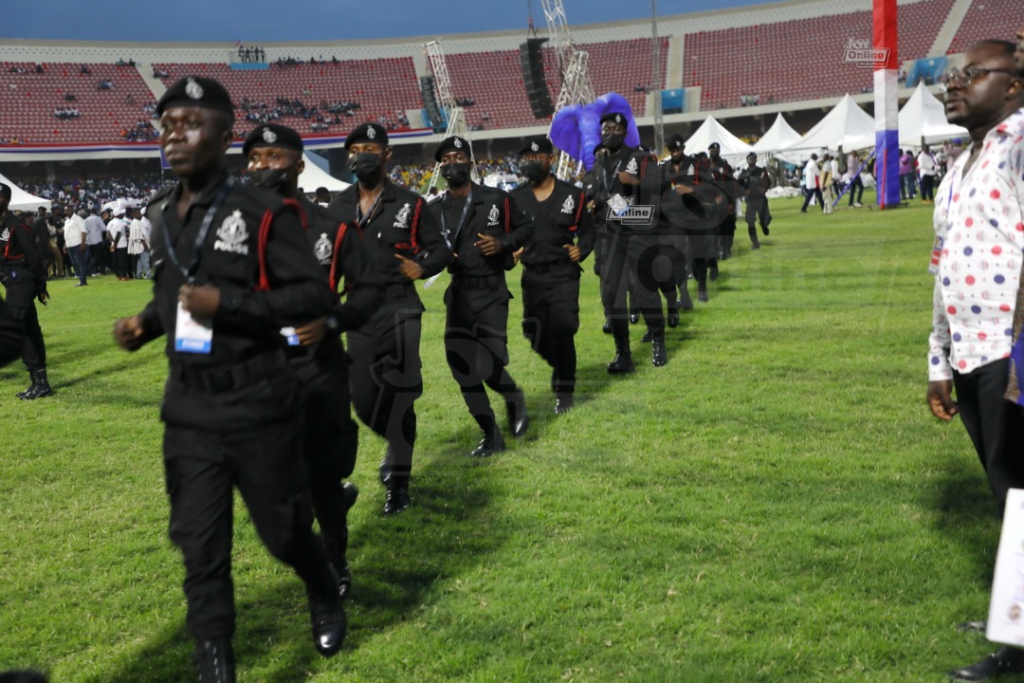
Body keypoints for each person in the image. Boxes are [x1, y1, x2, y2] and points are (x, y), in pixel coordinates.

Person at [111, 76, 346, 682]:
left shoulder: (260, 212)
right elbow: (179, 295)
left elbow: (312, 296)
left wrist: (232, 306)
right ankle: (214, 660)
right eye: (166, 124)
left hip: (258, 401)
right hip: (188, 408)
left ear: (223, 133)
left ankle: (321, 584)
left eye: (189, 122)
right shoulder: (163, 213)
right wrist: (147, 322)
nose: (174, 135)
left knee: (284, 532)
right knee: (200, 545)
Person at [244, 122, 380, 598]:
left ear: (299, 165)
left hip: (319, 369)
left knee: (322, 474)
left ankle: (336, 565)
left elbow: (369, 294)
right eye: (255, 158)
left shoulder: (333, 231)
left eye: (273, 157)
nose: (263, 167)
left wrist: (333, 323)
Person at [925, 40, 1024, 682]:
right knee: (1007, 492)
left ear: (1014, 86)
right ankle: (1011, 612)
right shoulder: (960, 163)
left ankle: (1017, 639)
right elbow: (941, 268)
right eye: (954, 75)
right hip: (970, 352)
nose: (954, 84)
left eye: (972, 74)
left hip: (1011, 353)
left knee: (1021, 493)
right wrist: (938, 358)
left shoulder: (1019, 146)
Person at [327, 123, 451, 514]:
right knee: (363, 400)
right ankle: (397, 443)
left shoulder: (411, 204)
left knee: (398, 395)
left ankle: (399, 483)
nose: (362, 154)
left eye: (370, 147)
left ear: (386, 155)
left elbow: (441, 252)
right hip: (357, 314)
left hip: (400, 308)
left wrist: (421, 267)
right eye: (355, 148)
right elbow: (326, 260)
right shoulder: (339, 205)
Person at [426, 135, 532, 458]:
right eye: (445, 160)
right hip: (458, 294)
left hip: (491, 291)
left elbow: (526, 229)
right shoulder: (434, 209)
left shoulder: (497, 199)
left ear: (470, 164)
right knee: (461, 366)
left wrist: (503, 244)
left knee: (486, 362)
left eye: (457, 157)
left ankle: (513, 396)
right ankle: (490, 433)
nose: (451, 163)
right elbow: (424, 248)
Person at [511, 136, 594, 414]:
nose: (531, 163)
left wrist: (581, 249)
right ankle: (561, 367)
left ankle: (565, 392)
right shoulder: (514, 198)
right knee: (533, 333)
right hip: (532, 276)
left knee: (563, 329)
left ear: (551, 159)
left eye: (537, 158)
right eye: (526, 159)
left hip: (563, 275)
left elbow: (589, 231)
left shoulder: (574, 195)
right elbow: (506, 235)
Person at [593, 111, 668, 371]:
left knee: (644, 290)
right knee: (611, 293)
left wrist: (636, 181)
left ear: (625, 133)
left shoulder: (639, 158)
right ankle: (623, 354)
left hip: (638, 232)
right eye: (605, 128)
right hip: (612, 235)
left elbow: (660, 186)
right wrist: (596, 201)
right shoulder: (600, 162)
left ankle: (658, 338)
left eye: (615, 128)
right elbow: (606, 193)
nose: (609, 132)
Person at [0, 183, 52, 399]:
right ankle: (41, 375)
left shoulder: (17, 226)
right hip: (13, 283)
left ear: (4, 199)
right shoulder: (2, 225)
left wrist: (41, 287)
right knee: (29, 326)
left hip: (22, 282)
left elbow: (34, 258)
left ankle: (39, 380)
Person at [737, 152, 771, 245]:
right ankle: (755, 242)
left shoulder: (762, 171)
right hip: (750, 200)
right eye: (750, 158)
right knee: (750, 221)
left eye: (753, 158)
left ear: (756, 160)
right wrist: (744, 192)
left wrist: (764, 189)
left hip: (761, 199)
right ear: (747, 160)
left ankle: (764, 226)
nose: (751, 160)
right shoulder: (744, 173)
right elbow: (738, 186)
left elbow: (768, 182)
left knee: (766, 219)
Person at [62, 206, 89, 287]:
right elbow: (66, 234)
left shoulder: (78, 219)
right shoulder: (67, 220)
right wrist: (65, 244)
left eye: (68, 210)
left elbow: (83, 232)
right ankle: (80, 278)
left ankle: (83, 281)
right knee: (74, 263)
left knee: (80, 263)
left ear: (72, 210)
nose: (66, 212)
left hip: (77, 244)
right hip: (70, 245)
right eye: (65, 210)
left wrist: (83, 243)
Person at [106, 202, 130, 280]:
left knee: (115, 261)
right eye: (121, 214)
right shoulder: (119, 223)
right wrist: (115, 243)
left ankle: (118, 275)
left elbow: (108, 234)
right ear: (118, 215)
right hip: (121, 244)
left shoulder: (110, 223)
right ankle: (123, 276)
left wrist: (112, 242)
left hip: (113, 244)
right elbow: (118, 234)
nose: (123, 215)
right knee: (122, 261)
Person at [84, 205, 106, 275]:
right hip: (97, 239)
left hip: (90, 241)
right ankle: (89, 269)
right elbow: (104, 228)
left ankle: (99, 270)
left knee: (95, 256)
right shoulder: (97, 218)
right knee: (98, 256)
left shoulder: (86, 220)